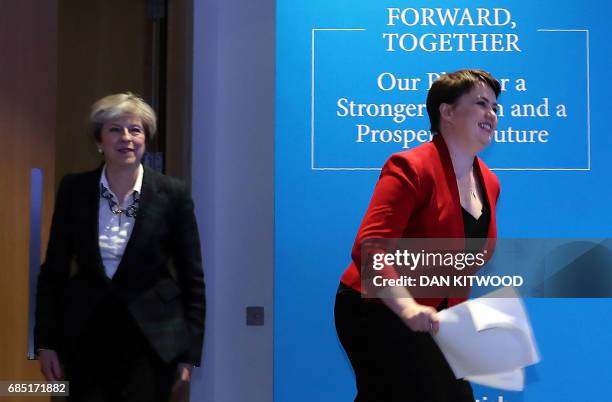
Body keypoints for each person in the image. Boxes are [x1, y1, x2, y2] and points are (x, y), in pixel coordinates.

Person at [334, 69, 501, 402]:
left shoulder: (490, 182)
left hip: (435, 319)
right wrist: (407, 307)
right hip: (378, 309)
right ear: (447, 112)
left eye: (496, 107)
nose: (492, 114)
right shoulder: (410, 167)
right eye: (481, 103)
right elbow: (372, 247)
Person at [34, 92, 205, 402]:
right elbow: (54, 271)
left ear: (145, 139)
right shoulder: (75, 189)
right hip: (84, 334)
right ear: (99, 140)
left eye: (135, 130)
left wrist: (189, 354)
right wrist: (45, 343)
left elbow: (192, 278)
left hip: (152, 340)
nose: (126, 137)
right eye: (115, 129)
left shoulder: (172, 194)